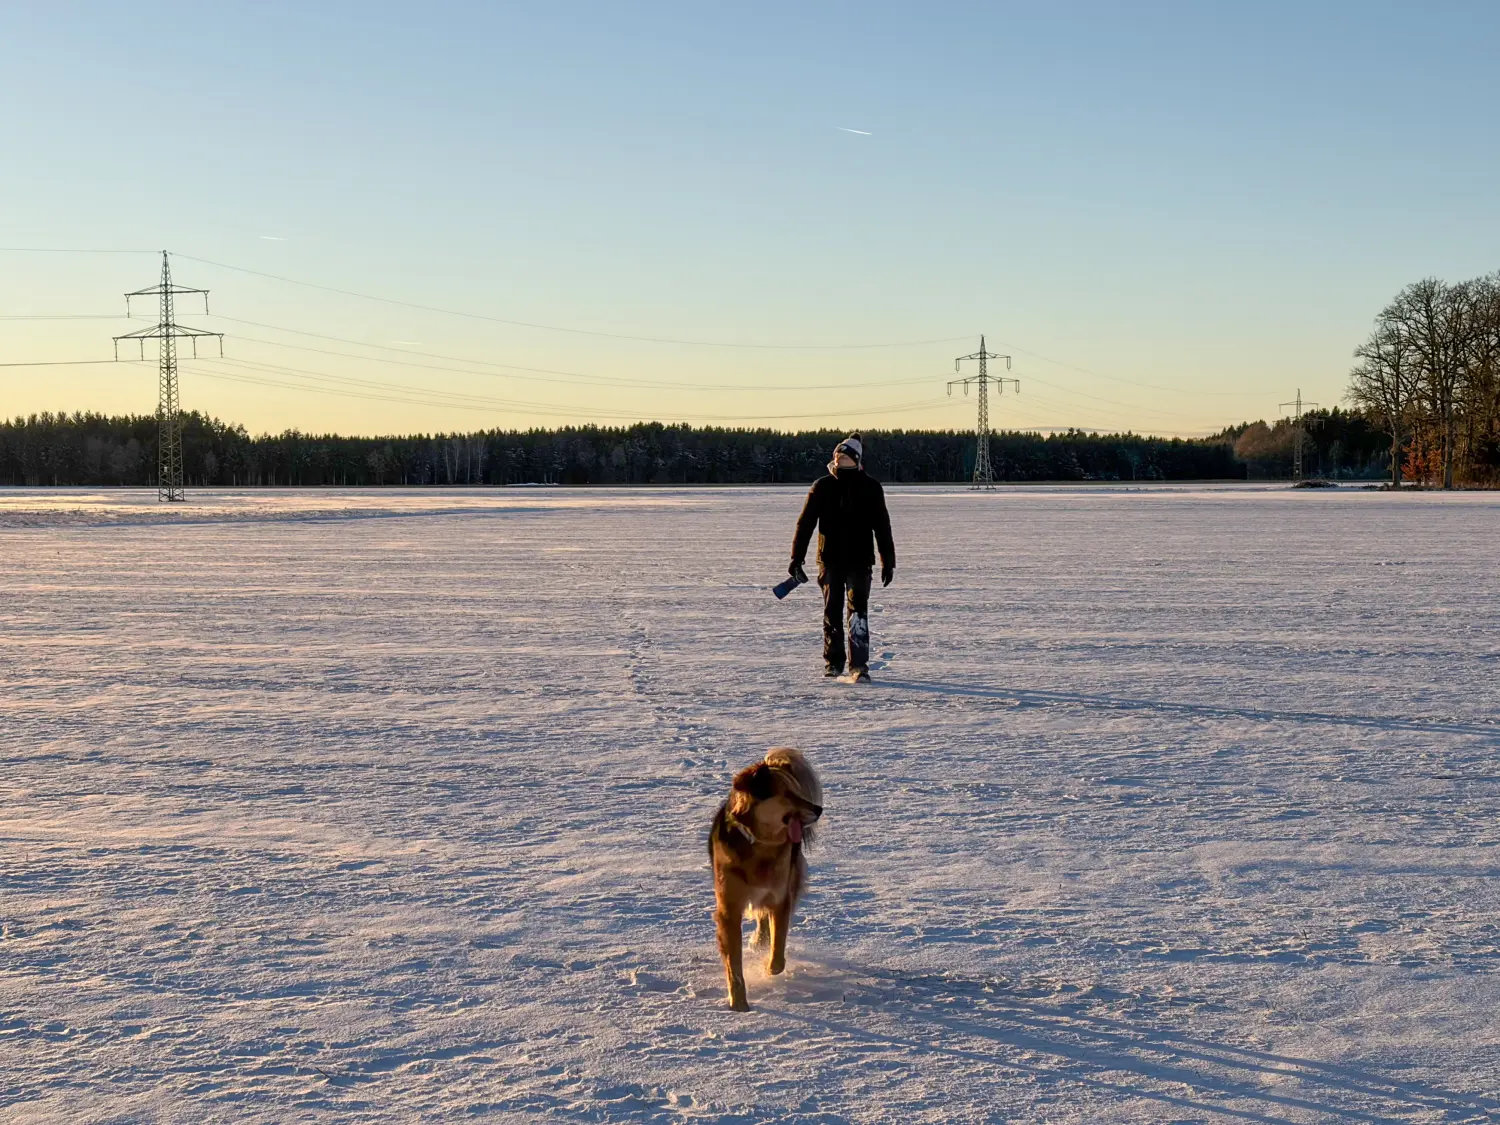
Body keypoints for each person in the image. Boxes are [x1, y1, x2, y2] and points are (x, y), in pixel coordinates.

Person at [788, 434, 895, 681]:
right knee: (832, 612)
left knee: (858, 612)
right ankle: (833, 663)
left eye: (846, 457)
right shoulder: (822, 487)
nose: (841, 460)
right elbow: (805, 525)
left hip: (859, 561)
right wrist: (796, 558)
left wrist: (888, 560)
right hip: (830, 561)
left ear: (857, 461)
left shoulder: (870, 488)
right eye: (838, 456)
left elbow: (882, 526)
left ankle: (858, 665)